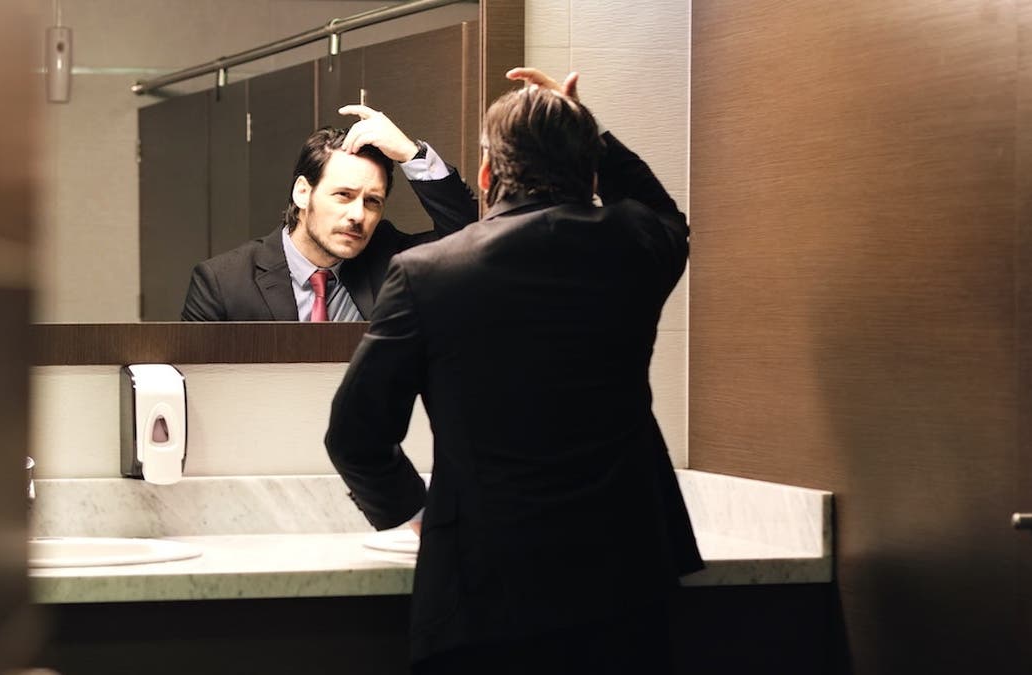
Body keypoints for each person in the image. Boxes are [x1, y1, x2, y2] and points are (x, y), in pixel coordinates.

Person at [325, 68, 704, 674]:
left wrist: (420, 518)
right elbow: (667, 217)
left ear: (485, 175)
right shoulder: (634, 246)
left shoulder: (428, 274)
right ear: (591, 173)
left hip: (484, 589)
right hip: (626, 581)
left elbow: (355, 435)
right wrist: (586, 131)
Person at [180, 105, 478, 321]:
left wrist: (410, 154)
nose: (358, 215)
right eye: (343, 196)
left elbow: (474, 239)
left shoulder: (392, 263)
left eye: (372, 201)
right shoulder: (222, 283)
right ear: (302, 192)